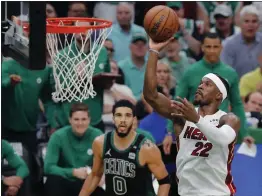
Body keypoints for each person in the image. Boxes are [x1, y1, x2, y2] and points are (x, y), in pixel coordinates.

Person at [143, 37, 241, 195]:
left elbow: (223, 138)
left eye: (207, 84)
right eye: (201, 83)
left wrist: (196, 119)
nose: (201, 86)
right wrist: (154, 52)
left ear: (218, 95)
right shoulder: (183, 114)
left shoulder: (228, 119)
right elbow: (151, 96)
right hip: (185, 192)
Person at [79, 100, 170, 196]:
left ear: (134, 119)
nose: (123, 120)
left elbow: (164, 182)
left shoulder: (146, 148)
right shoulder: (100, 143)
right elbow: (95, 175)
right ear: (113, 118)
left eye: (127, 115)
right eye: (119, 115)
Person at [44, 103, 104, 196]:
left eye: (83, 119)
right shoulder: (58, 136)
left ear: (89, 120)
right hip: (66, 181)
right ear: (70, 120)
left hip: (88, 182)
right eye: (76, 119)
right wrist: (73, 172)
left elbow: (107, 163)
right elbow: (48, 167)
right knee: (53, 181)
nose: (80, 123)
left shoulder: (98, 135)